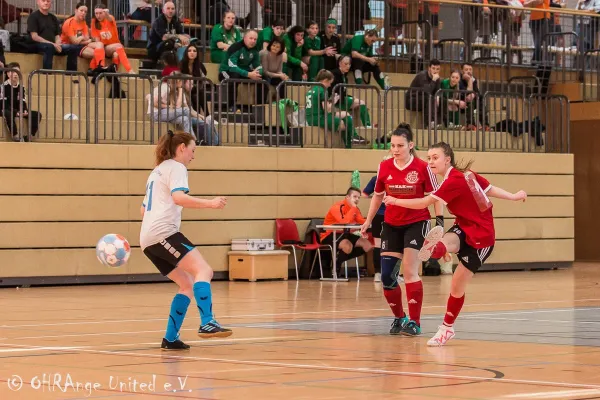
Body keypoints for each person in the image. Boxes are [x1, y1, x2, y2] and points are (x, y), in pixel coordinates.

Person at [380, 141, 527, 346]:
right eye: (429, 158)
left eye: (435, 158)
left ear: (447, 159)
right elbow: (490, 189)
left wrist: (395, 201)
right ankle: (436, 248)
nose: (430, 161)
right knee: (446, 240)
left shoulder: (454, 181)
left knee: (457, 287)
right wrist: (513, 196)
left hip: (482, 237)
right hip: (463, 227)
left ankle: (447, 328)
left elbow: (424, 203)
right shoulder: (467, 174)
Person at [140, 130, 232, 350]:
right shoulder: (177, 167)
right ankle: (207, 322)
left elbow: (143, 210)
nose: (193, 156)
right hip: (164, 233)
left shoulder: (156, 172)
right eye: (193, 150)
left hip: (148, 238)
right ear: (182, 148)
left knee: (186, 285)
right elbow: (178, 197)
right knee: (204, 271)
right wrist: (210, 203)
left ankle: (170, 338)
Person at [360, 124, 444, 337]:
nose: (395, 149)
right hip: (391, 224)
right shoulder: (384, 166)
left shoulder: (423, 167)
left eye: (400, 145)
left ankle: (415, 322)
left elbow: (436, 195)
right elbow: (377, 195)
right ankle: (400, 317)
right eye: (393, 145)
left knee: (409, 271)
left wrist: (440, 221)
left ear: (411, 145)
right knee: (387, 276)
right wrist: (368, 221)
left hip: (417, 222)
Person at [319, 187, 372, 275]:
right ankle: (336, 268)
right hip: (330, 234)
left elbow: (361, 220)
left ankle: (338, 259)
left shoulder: (355, 208)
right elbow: (344, 222)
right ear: (347, 197)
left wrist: (371, 220)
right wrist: (353, 208)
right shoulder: (337, 207)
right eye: (354, 197)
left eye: (358, 197)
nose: (357, 199)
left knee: (367, 245)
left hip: (345, 234)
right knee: (347, 245)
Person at [305, 69, 357, 149]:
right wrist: (333, 102)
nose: (330, 85)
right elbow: (327, 109)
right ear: (325, 80)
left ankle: (353, 138)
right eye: (330, 83)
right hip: (319, 118)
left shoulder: (312, 89)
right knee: (344, 125)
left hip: (311, 117)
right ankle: (350, 142)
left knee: (346, 114)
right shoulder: (322, 90)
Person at [361, 152, 392, 282]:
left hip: (394, 215)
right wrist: (377, 198)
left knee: (392, 246)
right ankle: (378, 273)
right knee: (378, 244)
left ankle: (392, 274)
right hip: (379, 215)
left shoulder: (399, 179)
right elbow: (364, 193)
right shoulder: (376, 178)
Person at [27, 0, 82, 71]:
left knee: (73, 48)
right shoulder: (33, 16)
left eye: (48, 1)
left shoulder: (53, 18)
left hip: (53, 45)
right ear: (38, 2)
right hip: (38, 44)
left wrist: (58, 43)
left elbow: (57, 35)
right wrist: (53, 44)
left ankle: (71, 74)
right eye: (43, 1)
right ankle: (47, 73)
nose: (46, 3)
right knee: (49, 47)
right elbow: (34, 36)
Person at [218, 30, 264, 111]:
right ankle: (231, 106)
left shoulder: (255, 49)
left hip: (242, 72)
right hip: (226, 71)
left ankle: (259, 107)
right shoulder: (236, 47)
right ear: (245, 38)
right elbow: (232, 67)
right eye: (251, 38)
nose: (253, 41)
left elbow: (257, 66)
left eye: (255, 39)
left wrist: (258, 72)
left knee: (262, 78)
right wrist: (248, 74)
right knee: (233, 77)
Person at [330, 55, 371, 143]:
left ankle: (367, 125)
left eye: (349, 64)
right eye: (346, 64)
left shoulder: (345, 76)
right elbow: (334, 90)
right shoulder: (334, 74)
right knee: (358, 103)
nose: (348, 66)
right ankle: (354, 135)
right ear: (340, 63)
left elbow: (343, 92)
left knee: (361, 102)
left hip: (343, 99)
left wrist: (350, 97)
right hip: (335, 101)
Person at [61, 2, 108, 74]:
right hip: (69, 46)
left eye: (85, 12)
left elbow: (87, 38)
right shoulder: (69, 22)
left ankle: (98, 67)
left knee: (100, 44)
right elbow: (74, 41)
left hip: (81, 44)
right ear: (76, 10)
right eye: (81, 10)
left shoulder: (83, 22)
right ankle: (95, 69)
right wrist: (82, 37)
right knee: (97, 53)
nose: (83, 13)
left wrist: (83, 39)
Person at [0, 62, 42, 142]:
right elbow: (3, 104)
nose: (16, 74)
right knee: (7, 112)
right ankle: (15, 136)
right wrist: (16, 112)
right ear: (8, 74)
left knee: (37, 114)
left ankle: (30, 136)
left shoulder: (21, 87)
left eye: (18, 72)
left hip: (17, 110)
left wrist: (24, 110)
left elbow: (22, 101)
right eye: (14, 72)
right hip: (5, 108)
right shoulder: (3, 87)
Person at [91, 4, 133, 73]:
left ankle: (114, 72)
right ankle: (129, 70)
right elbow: (97, 41)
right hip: (104, 48)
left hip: (114, 47)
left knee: (116, 54)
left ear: (104, 12)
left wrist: (107, 13)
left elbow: (109, 17)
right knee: (118, 46)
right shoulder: (94, 22)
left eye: (100, 13)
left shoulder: (110, 18)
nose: (98, 16)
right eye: (96, 13)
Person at [147, 1, 189, 66]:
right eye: (168, 8)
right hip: (154, 49)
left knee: (189, 43)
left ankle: (184, 66)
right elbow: (164, 37)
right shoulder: (158, 21)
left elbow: (181, 33)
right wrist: (179, 36)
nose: (170, 11)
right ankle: (163, 63)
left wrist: (187, 37)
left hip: (170, 47)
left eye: (172, 9)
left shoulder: (175, 20)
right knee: (169, 43)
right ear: (163, 10)